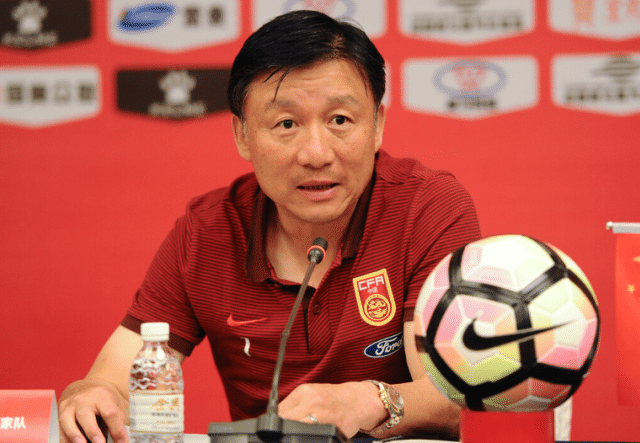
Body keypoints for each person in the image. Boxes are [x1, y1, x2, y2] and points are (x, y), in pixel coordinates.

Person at [58, 10, 480, 443]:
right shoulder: (207, 232)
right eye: (286, 124)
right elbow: (112, 380)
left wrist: (368, 401)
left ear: (377, 126)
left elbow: (456, 395)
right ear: (242, 135)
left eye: (339, 120)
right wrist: (89, 397)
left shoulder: (426, 209)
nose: (316, 154)